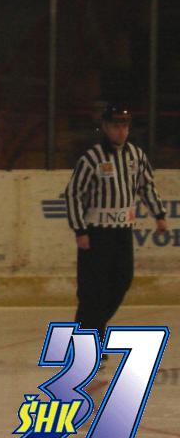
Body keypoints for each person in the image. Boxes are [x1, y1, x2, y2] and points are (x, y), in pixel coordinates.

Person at [65, 104, 167, 347]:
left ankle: (88, 332)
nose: (121, 131)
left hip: (122, 232)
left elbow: (146, 187)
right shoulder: (91, 158)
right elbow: (73, 194)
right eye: (116, 126)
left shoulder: (136, 155)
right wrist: (80, 230)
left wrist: (159, 214)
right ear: (105, 127)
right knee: (94, 291)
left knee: (122, 281)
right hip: (96, 233)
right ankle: (89, 344)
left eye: (125, 126)